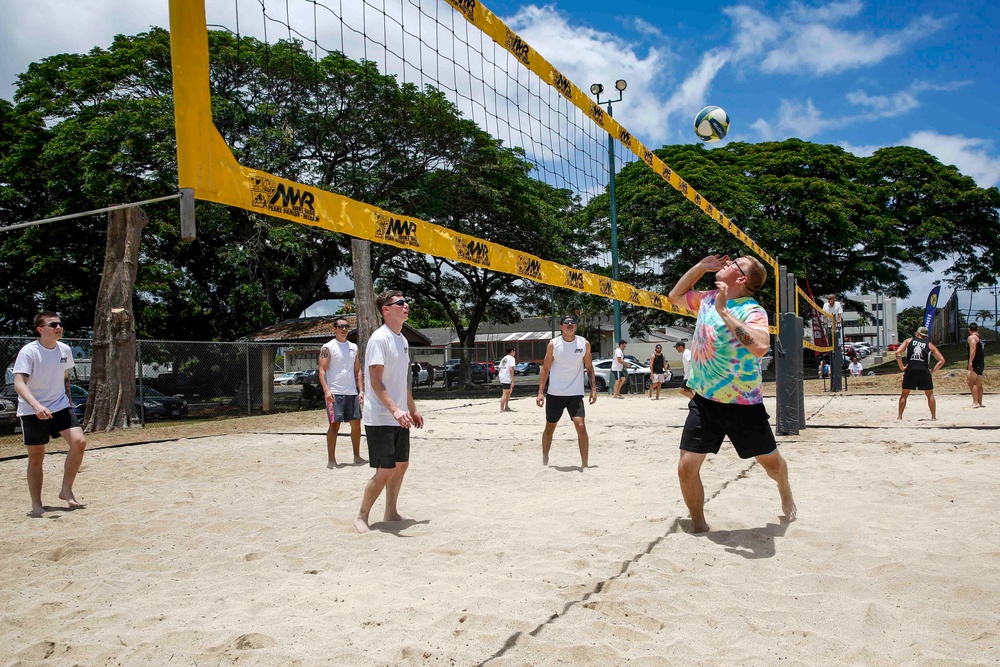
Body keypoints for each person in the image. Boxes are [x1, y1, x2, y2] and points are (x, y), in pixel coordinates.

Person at [667, 254, 795, 533]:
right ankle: (699, 525)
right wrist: (701, 266)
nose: (725, 263)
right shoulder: (707, 297)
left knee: (772, 466)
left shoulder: (752, 310)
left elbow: (761, 346)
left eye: (733, 264)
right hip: (705, 401)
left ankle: (785, 489)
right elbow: (674, 296)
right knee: (686, 467)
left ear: (741, 279)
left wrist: (725, 312)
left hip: (742, 405)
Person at [354, 291, 424, 533]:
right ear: (386, 310)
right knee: (385, 470)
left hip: (399, 414)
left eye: (406, 301)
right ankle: (362, 517)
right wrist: (394, 410)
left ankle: (391, 511)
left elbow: (400, 381)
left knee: (401, 465)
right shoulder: (378, 339)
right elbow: (376, 382)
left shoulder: (402, 340)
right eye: (401, 303)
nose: (407, 305)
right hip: (381, 416)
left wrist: (412, 408)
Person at [12, 312, 88, 517]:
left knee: (79, 442)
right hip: (32, 410)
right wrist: (36, 406)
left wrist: (69, 403)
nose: (58, 327)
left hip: (60, 406)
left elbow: (65, 378)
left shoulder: (64, 349)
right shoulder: (29, 352)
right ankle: (37, 504)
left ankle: (66, 490)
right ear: (40, 329)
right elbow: (19, 383)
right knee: (37, 457)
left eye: (60, 324)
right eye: (53, 324)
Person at [536, 314, 597, 468]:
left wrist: (594, 389)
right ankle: (545, 457)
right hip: (555, 393)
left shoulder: (584, 344)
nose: (570, 324)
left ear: (576, 326)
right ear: (561, 326)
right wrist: (540, 392)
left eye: (573, 322)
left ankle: (585, 465)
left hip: (575, 394)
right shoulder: (553, 344)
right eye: (567, 322)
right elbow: (545, 369)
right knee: (550, 426)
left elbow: (589, 368)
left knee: (581, 425)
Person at [318, 316, 365, 468]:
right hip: (335, 393)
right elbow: (322, 370)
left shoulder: (353, 347)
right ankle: (332, 459)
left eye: (346, 326)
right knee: (334, 425)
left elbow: (358, 371)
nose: (344, 329)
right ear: (335, 329)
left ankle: (357, 456)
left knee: (356, 425)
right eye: (341, 326)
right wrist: (326, 390)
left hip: (351, 392)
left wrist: (361, 391)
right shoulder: (327, 347)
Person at [895, 326, 945, 421]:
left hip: (911, 369)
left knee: (905, 394)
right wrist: (932, 371)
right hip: (923, 369)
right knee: (929, 394)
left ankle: (900, 416)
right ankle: (933, 417)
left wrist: (902, 367)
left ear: (917, 333)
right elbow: (941, 360)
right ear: (925, 336)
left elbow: (898, 353)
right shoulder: (929, 345)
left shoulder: (909, 341)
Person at [966, 322, 985, 408]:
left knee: (971, 382)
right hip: (981, 362)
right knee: (978, 383)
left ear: (969, 330)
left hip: (975, 362)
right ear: (978, 329)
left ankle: (975, 402)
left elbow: (973, 348)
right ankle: (979, 402)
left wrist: (970, 362)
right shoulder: (980, 338)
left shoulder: (972, 337)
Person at [498, 346, 516, 412]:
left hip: (503, 376)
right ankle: (502, 409)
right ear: (512, 351)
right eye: (514, 351)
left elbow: (499, 368)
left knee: (509, 391)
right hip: (507, 377)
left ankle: (506, 406)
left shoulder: (504, 358)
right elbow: (511, 369)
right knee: (505, 393)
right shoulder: (511, 358)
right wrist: (513, 380)